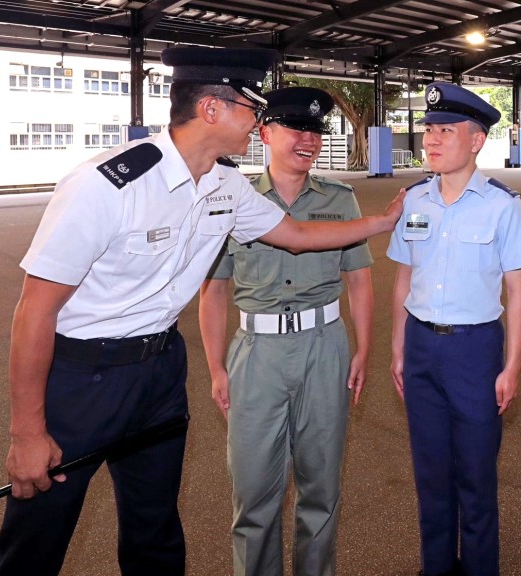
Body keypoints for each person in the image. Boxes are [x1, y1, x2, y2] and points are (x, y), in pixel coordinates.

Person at [0, 47, 402, 576]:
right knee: (38, 534)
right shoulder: (107, 184)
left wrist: (380, 223)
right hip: (83, 375)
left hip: (160, 370)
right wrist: (26, 432)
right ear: (212, 109)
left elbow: (296, 235)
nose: (258, 123)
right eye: (252, 110)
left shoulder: (226, 183)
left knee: (155, 528)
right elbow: (34, 312)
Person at [197, 86, 374, 576]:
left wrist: (362, 350)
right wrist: (216, 366)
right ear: (265, 132)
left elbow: (358, 280)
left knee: (321, 489)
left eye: (316, 130)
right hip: (257, 354)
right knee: (254, 493)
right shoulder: (233, 198)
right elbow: (212, 291)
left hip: (326, 348)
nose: (308, 139)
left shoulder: (340, 199)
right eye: (296, 127)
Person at [387, 82, 521, 576]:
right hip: (422, 344)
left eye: (445, 130)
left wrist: (513, 364)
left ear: (476, 141)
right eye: (428, 129)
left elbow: (518, 289)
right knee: (430, 474)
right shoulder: (413, 200)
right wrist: (399, 345)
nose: (431, 139)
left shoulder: (502, 205)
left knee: (475, 476)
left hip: (475, 350)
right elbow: (404, 277)